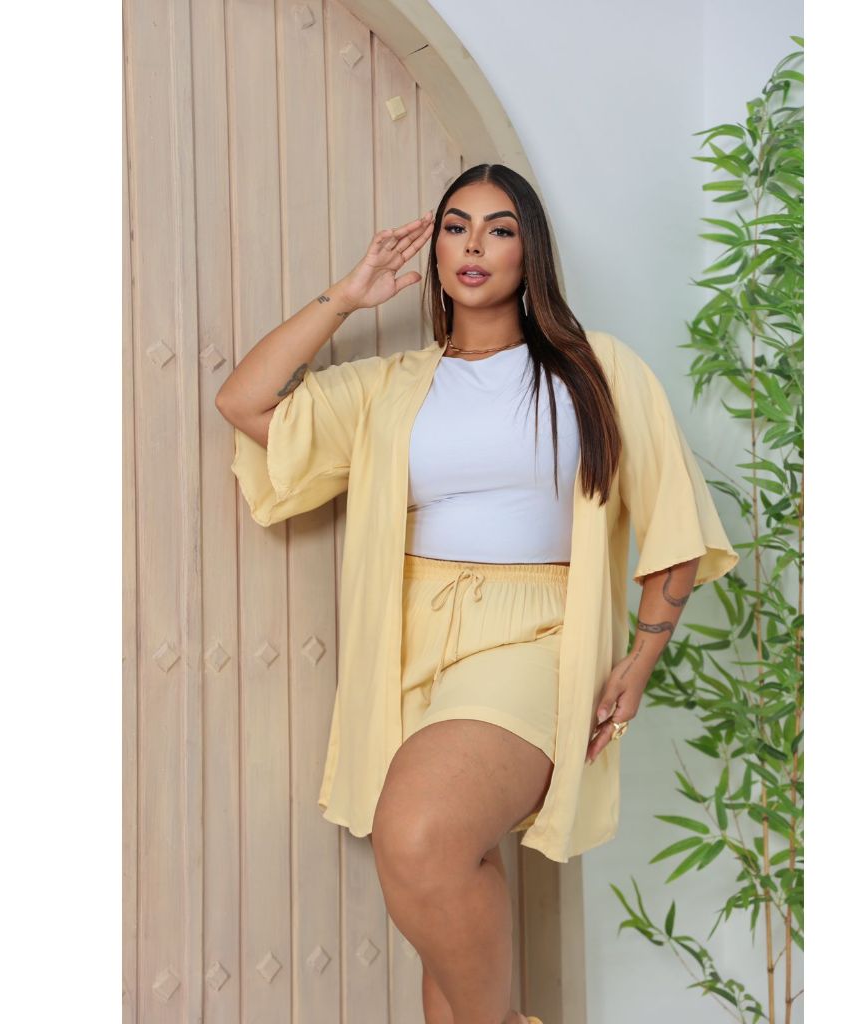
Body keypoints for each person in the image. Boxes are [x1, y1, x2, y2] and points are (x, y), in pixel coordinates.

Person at [216, 164, 739, 1024]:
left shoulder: (597, 370)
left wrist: (640, 660)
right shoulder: (395, 385)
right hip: (410, 639)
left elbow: (673, 526)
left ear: (531, 252)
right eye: (456, 226)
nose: (474, 245)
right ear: (436, 251)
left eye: (500, 229)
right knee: (455, 868)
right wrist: (347, 297)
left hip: (537, 637)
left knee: (420, 836)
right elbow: (245, 401)